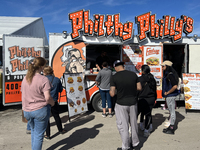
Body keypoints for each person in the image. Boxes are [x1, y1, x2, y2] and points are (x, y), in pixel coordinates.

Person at [21, 57, 55, 150]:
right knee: (39, 135)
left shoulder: (25, 78)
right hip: (40, 110)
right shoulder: (43, 79)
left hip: (27, 110)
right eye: (44, 65)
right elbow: (47, 97)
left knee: (34, 132)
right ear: (41, 66)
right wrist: (52, 103)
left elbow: (23, 94)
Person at [109, 60, 142, 150]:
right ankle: (135, 144)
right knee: (134, 124)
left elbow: (112, 94)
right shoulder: (133, 74)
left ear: (115, 67)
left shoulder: (114, 77)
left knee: (123, 126)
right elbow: (139, 87)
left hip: (121, 104)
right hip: (133, 103)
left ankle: (126, 146)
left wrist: (115, 90)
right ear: (123, 66)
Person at [43, 66, 67, 140]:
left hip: (45, 101)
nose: (43, 73)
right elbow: (60, 89)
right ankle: (60, 130)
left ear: (46, 72)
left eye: (43, 72)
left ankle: (48, 135)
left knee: (46, 118)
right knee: (56, 116)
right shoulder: (56, 79)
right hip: (54, 101)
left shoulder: (43, 80)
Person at [137, 65, 157, 137]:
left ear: (142, 71)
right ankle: (146, 131)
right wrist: (155, 99)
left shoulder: (140, 79)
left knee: (136, 114)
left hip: (142, 99)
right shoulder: (152, 79)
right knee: (148, 115)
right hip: (151, 99)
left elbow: (137, 90)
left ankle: (133, 128)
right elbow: (155, 90)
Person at [161, 60, 179, 135]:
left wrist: (168, 92)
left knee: (172, 112)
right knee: (171, 111)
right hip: (169, 96)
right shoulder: (167, 74)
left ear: (167, 66)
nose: (162, 67)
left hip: (170, 96)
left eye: (163, 66)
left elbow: (175, 86)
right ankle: (170, 126)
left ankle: (171, 128)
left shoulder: (170, 75)